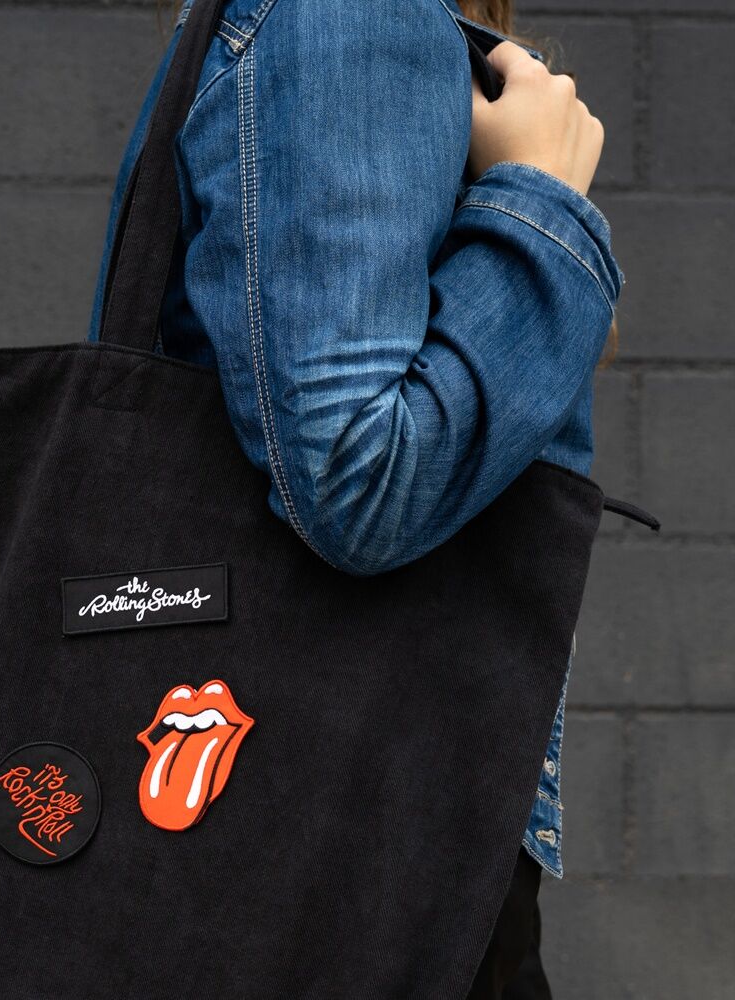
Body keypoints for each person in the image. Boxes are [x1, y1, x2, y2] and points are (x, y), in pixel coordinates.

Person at [87, 0, 622, 995]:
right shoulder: (350, 14)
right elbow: (360, 483)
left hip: (301, 854)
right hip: (366, 859)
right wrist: (539, 205)